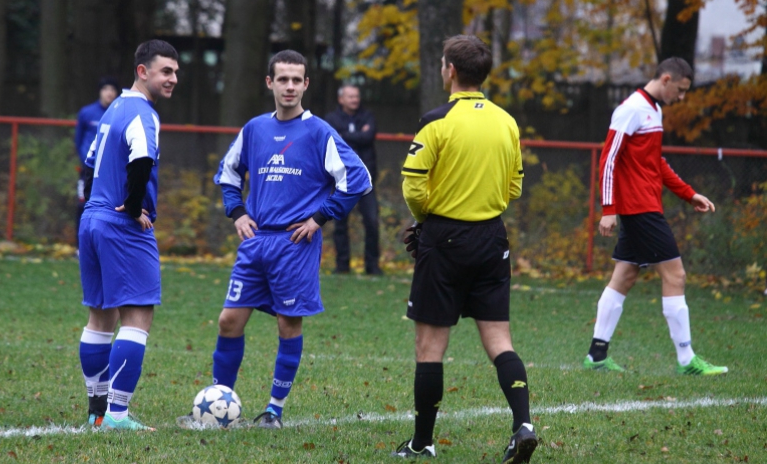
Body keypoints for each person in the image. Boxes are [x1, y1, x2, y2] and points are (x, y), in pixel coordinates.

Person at [394, 35, 536, 463]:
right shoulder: (507, 122)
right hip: (492, 238)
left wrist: (426, 218)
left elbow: (413, 185)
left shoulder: (436, 120)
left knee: (430, 348)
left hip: (444, 239)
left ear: (450, 70)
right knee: (499, 339)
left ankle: (422, 442)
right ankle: (523, 424)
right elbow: (514, 187)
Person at [212, 50, 372, 429]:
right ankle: (218, 408)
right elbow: (228, 173)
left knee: (288, 324)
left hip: (294, 245)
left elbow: (358, 179)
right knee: (228, 321)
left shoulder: (319, 131)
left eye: (296, 80)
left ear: (306, 84)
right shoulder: (253, 129)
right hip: (255, 242)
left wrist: (319, 218)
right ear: (270, 83)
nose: (289, 86)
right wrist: (237, 213)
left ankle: (274, 410)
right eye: (282, 79)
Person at [583, 57, 728, 377]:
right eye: (681, 90)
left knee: (624, 276)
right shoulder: (632, 108)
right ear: (665, 79)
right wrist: (609, 210)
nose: (682, 98)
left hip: (645, 206)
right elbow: (608, 160)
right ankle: (687, 359)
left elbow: (656, 164)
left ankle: (596, 355)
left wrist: (688, 194)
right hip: (640, 210)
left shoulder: (655, 111)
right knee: (675, 276)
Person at [77, 40, 179, 431]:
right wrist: (134, 208)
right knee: (137, 317)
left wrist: (96, 205)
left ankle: (97, 411)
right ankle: (117, 415)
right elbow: (142, 160)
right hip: (121, 225)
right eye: (165, 71)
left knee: (99, 318)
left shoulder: (113, 109)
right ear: (142, 71)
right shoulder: (142, 113)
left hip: (92, 219)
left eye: (175, 72)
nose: (172, 79)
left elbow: (89, 167)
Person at [324, 85, 382, 275]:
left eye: (356, 96)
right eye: (350, 96)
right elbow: (333, 141)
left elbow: (368, 136)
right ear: (341, 99)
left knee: (372, 222)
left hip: (366, 181)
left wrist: (344, 136)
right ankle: (342, 266)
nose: (354, 100)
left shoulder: (368, 116)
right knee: (340, 224)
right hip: (341, 180)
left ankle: (372, 266)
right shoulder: (331, 119)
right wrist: (356, 136)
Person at [75, 77, 120, 245]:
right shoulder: (87, 112)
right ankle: (80, 245)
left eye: (112, 89)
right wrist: (86, 161)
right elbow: (78, 140)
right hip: (88, 170)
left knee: (108, 208)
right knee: (83, 205)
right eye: (106, 89)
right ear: (100, 92)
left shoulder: (118, 113)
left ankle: (104, 244)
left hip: (109, 171)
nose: (109, 93)